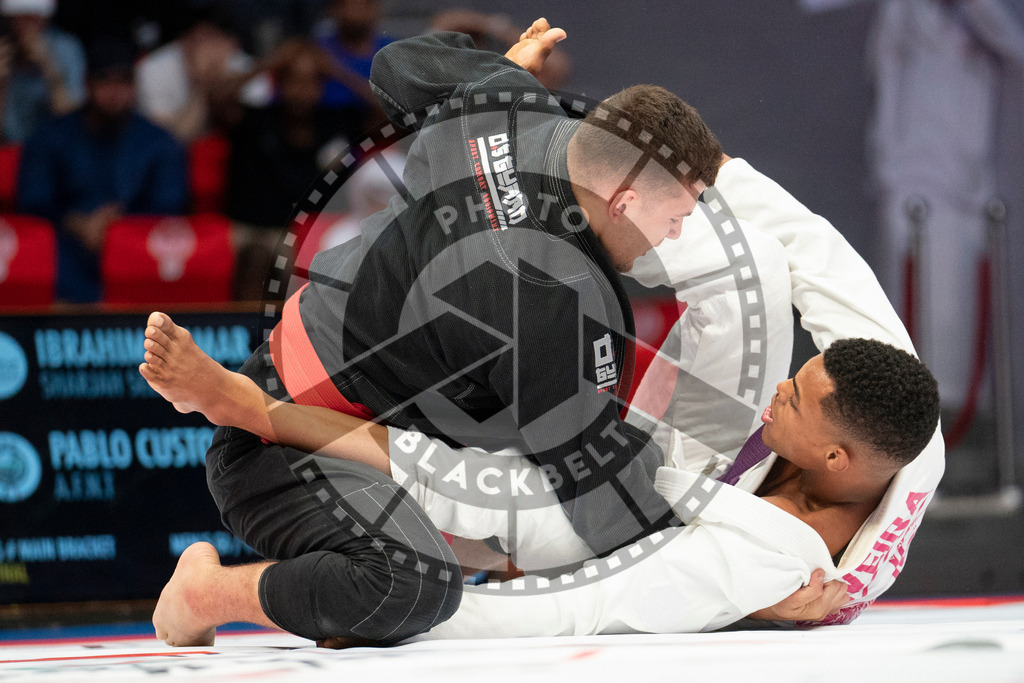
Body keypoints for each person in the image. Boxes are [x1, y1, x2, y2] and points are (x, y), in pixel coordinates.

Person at [139, 154, 941, 642]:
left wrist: (413, 615)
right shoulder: (904, 420)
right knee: (757, 266)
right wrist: (715, 173)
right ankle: (624, 204)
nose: (778, 391)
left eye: (794, 400)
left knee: (457, 489)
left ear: (837, 456)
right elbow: (831, 264)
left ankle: (237, 481)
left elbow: (587, 606)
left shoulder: (775, 560)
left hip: (622, 523)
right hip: (670, 471)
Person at [140, 18, 726, 645]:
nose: (675, 235)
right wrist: (732, 568)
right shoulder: (553, 304)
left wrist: (494, 69)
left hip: (343, 391)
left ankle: (345, 592)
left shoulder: (509, 104)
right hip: (279, 452)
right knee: (415, 583)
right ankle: (205, 593)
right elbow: (605, 504)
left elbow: (397, 64)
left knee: (516, 451)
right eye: (675, 216)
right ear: (627, 201)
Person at [16, 36, 186, 303]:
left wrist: (117, 225)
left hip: (138, 255)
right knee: (42, 247)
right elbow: (32, 202)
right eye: (105, 80)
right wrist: (76, 222)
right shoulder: (51, 137)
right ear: (87, 83)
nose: (114, 91)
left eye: (124, 81)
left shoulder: (159, 143)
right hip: (67, 254)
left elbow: (170, 205)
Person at [224, 37, 363, 300]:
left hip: (321, 232)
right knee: (261, 257)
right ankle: (252, 337)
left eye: (311, 82)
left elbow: (388, 110)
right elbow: (218, 97)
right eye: (294, 82)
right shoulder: (256, 120)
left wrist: (336, 70)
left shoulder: (337, 122)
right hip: (259, 230)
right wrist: (270, 63)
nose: (302, 91)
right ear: (280, 84)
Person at [0, 0, 85, 143]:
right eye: (21, 17)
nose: (27, 25)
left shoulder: (66, 48)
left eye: (34, 17)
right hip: (8, 147)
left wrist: (49, 67)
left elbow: (73, 123)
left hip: (53, 149)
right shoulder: (4, 48)